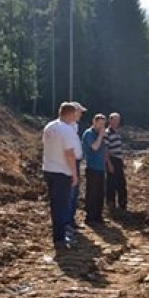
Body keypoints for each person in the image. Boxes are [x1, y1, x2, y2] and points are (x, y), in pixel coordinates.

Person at [42, 102, 82, 249]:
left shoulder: (49, 127)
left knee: (55, 205)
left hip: (49, 169)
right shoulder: (66, 130)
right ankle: (60, 238)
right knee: (62, 206)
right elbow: (69, 153)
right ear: (70, 114)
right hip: (62, 171)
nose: (76, 117)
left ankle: (58, 235)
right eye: (75, 114)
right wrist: (74, 174)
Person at [81, 113, 108, 225]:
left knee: (100, 193)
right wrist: (101, 135)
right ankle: (90, 216)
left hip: (101, 168)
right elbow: (95, 147)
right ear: (94, 122)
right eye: (99, 123)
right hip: (92, 167)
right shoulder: (89, 134)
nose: (101, 126)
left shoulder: (99, 134)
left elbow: (104, 149)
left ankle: (98, 215)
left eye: (103, 124)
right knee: (92, 193)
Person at [66, 101, 87, 235]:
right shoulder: (67, 127)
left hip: (76, 162)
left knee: (74, 194)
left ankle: (71, 220)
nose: (81, 114)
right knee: (70, 194)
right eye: (79, 112)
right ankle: (67, 223)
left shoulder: (75, 127)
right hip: (69, 164)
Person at [105, 112, 128, 216]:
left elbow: (118, 148)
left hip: (118, 160)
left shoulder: (117, 132)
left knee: (121, 183)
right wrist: (109, 164)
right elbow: (105, 150)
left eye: (118, 120)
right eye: (114, 120)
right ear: (110, 121)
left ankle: (122, 205)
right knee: (111, 184)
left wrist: (122, 161)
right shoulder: (107, 133)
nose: (116, 122)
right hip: (112, 160)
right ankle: (111, 206)